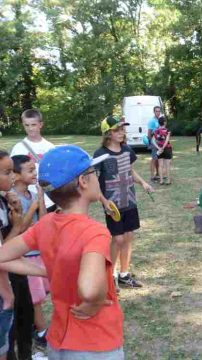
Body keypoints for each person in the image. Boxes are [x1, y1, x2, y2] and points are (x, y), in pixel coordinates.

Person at [0, 145, 125, 358]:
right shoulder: (95, 233)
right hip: (95, 342)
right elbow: (89, 290)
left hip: (58, 341)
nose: (96, 178)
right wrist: (93, 301)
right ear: (83, 182)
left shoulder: (46, 224)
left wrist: (47, 271)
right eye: (92, 173)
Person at [0, 151, 49, 360]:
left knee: (25, 313)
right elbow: (5, 251)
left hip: (15, 273)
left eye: (11, 171)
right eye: (6, 172)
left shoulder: (7, 201)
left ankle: (27, 354)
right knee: (8, 336)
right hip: (13, 274)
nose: (11, 177)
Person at [94, 116, 153, 290]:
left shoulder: (127, 150)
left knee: (128, 237)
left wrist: (143, 183)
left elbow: (130, 170)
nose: (121, 133)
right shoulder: (100, 154)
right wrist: (104, 202)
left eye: (122, 129)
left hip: (129, 200)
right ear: (107, 133)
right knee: (117, 239)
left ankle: (124, 275)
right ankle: (110, 275)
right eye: (116, 130)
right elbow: (94, 182)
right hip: (113, 205)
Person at [10, 109, 55, 211]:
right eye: (27, 125)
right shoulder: (18, 148)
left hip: (49, 200)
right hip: (26, 200)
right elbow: (12, 175)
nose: (30, 128)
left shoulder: (50, 148)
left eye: (33, 125)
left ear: (40, 124)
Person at [151, 118, 173, 185]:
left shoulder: (156, 131)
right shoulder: (167, 130)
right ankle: (168, 180)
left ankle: (161, 181)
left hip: (159, 149)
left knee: (160, 165)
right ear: (164, 122)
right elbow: (167, 140)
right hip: (167, 148)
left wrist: (159, 148)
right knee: (167, 165)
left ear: (159, 123)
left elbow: (152, 140)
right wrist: (163, 147)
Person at [147, 106, 162, 182]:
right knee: (153, 159)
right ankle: (152, 176)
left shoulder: (160, 120)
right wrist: (151, 143)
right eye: (156, 111)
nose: (158, 112)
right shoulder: (152, 121)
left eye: (159, 111)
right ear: (154, 112)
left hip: (159, 142)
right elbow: (149, 133)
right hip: (154, 142)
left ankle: (158, 174)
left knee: (157, 159)